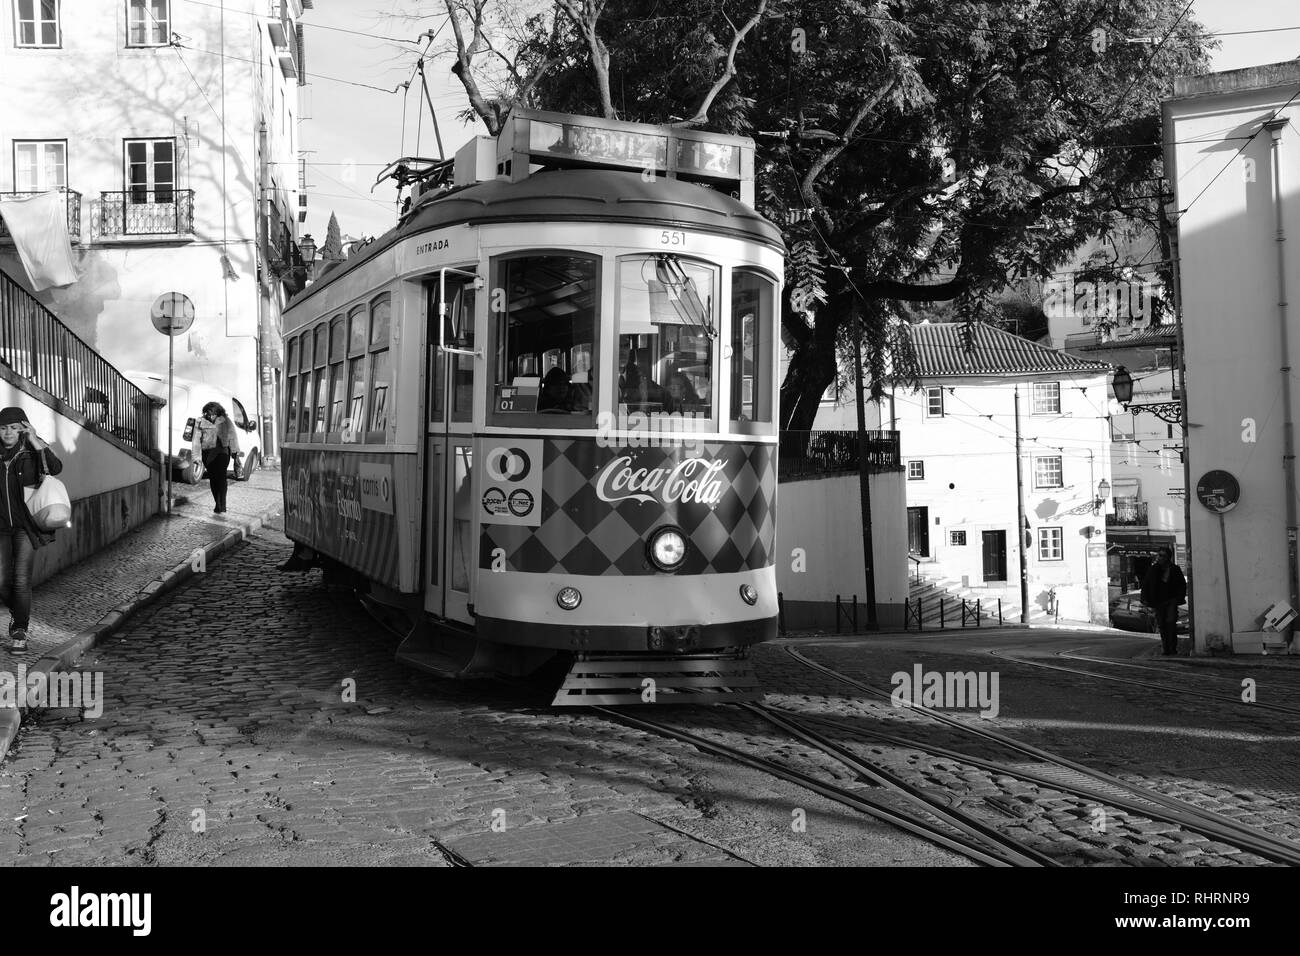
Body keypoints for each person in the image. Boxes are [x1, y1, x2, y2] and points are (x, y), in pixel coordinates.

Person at [0, 407, 63, 651]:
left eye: (14, 427)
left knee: (21, 579)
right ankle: (19, 614)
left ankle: (19, 630)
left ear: (22, 429)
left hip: (26, 526)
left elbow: (56, 468)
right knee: (2, 580)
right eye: (3, 427)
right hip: (1, 526)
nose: (8, 433)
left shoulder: (32, 450)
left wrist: (36, 441)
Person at [192, 401, 241, 514]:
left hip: (223, 452)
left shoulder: (225, 420)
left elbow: (233, 436)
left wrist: (235, 452)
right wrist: (196, 457)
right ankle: (217, 503)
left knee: (222, 477)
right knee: (213, 479)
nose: (210, 416)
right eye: (208, 414)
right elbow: (196, 441)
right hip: (207, 454)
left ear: (217, 412)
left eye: (212, 414)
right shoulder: (200, 422)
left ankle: (222, 504)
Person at [1141, 546, 1187, 656]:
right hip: (1158, 601)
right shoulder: (1154, 569)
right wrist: (1145, 599)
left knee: (1171, 623)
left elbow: (1182, 584)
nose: (1159, 557)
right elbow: (1146, 584)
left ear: (1168, 558)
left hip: (1171, 600)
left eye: (1162, 555)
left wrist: (1178, 598)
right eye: (1158, 555)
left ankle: (1172, 648)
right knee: (1162, 624)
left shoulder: (1175, 569)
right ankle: (1166, 649)